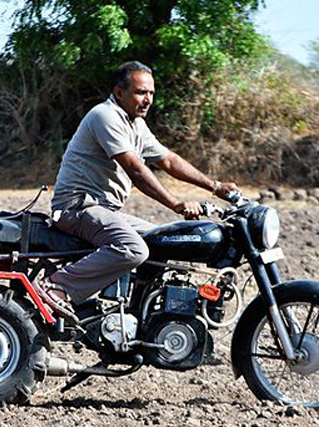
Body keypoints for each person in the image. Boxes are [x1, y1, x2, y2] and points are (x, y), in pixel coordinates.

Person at [35, 61, 238, 321]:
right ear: (120, 93)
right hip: (77, 207)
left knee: (162, 241)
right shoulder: (105, 116)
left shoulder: (136, 125)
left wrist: (215, 186)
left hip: (104, 210)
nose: (148, 99)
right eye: (141, 92)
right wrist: (176, 203)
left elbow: (169, 160)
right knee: (134, 249)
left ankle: (138, 320)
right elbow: (136, 169)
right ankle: (56, 287)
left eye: (151, 93)